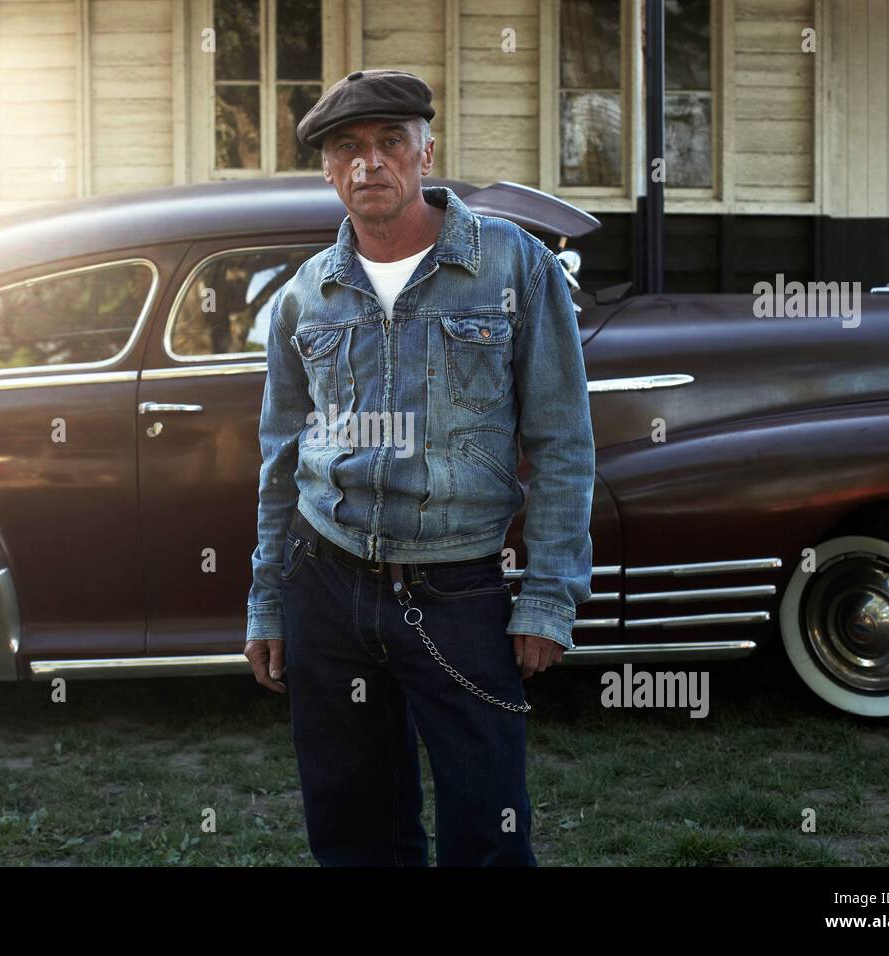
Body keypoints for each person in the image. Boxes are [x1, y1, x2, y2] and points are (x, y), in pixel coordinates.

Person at [244, 69, 595, 866]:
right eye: (347, 150)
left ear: (426, 152)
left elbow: (563, 443)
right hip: (325, 583)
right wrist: (269, 601)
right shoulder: (307, 296)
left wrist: (548, 598)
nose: (371, 163)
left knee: (489, 825)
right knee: (355, 827)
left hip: (457, 589)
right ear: (329, 172)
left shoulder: (516, 268)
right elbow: (279, 458)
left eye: (389, 143)